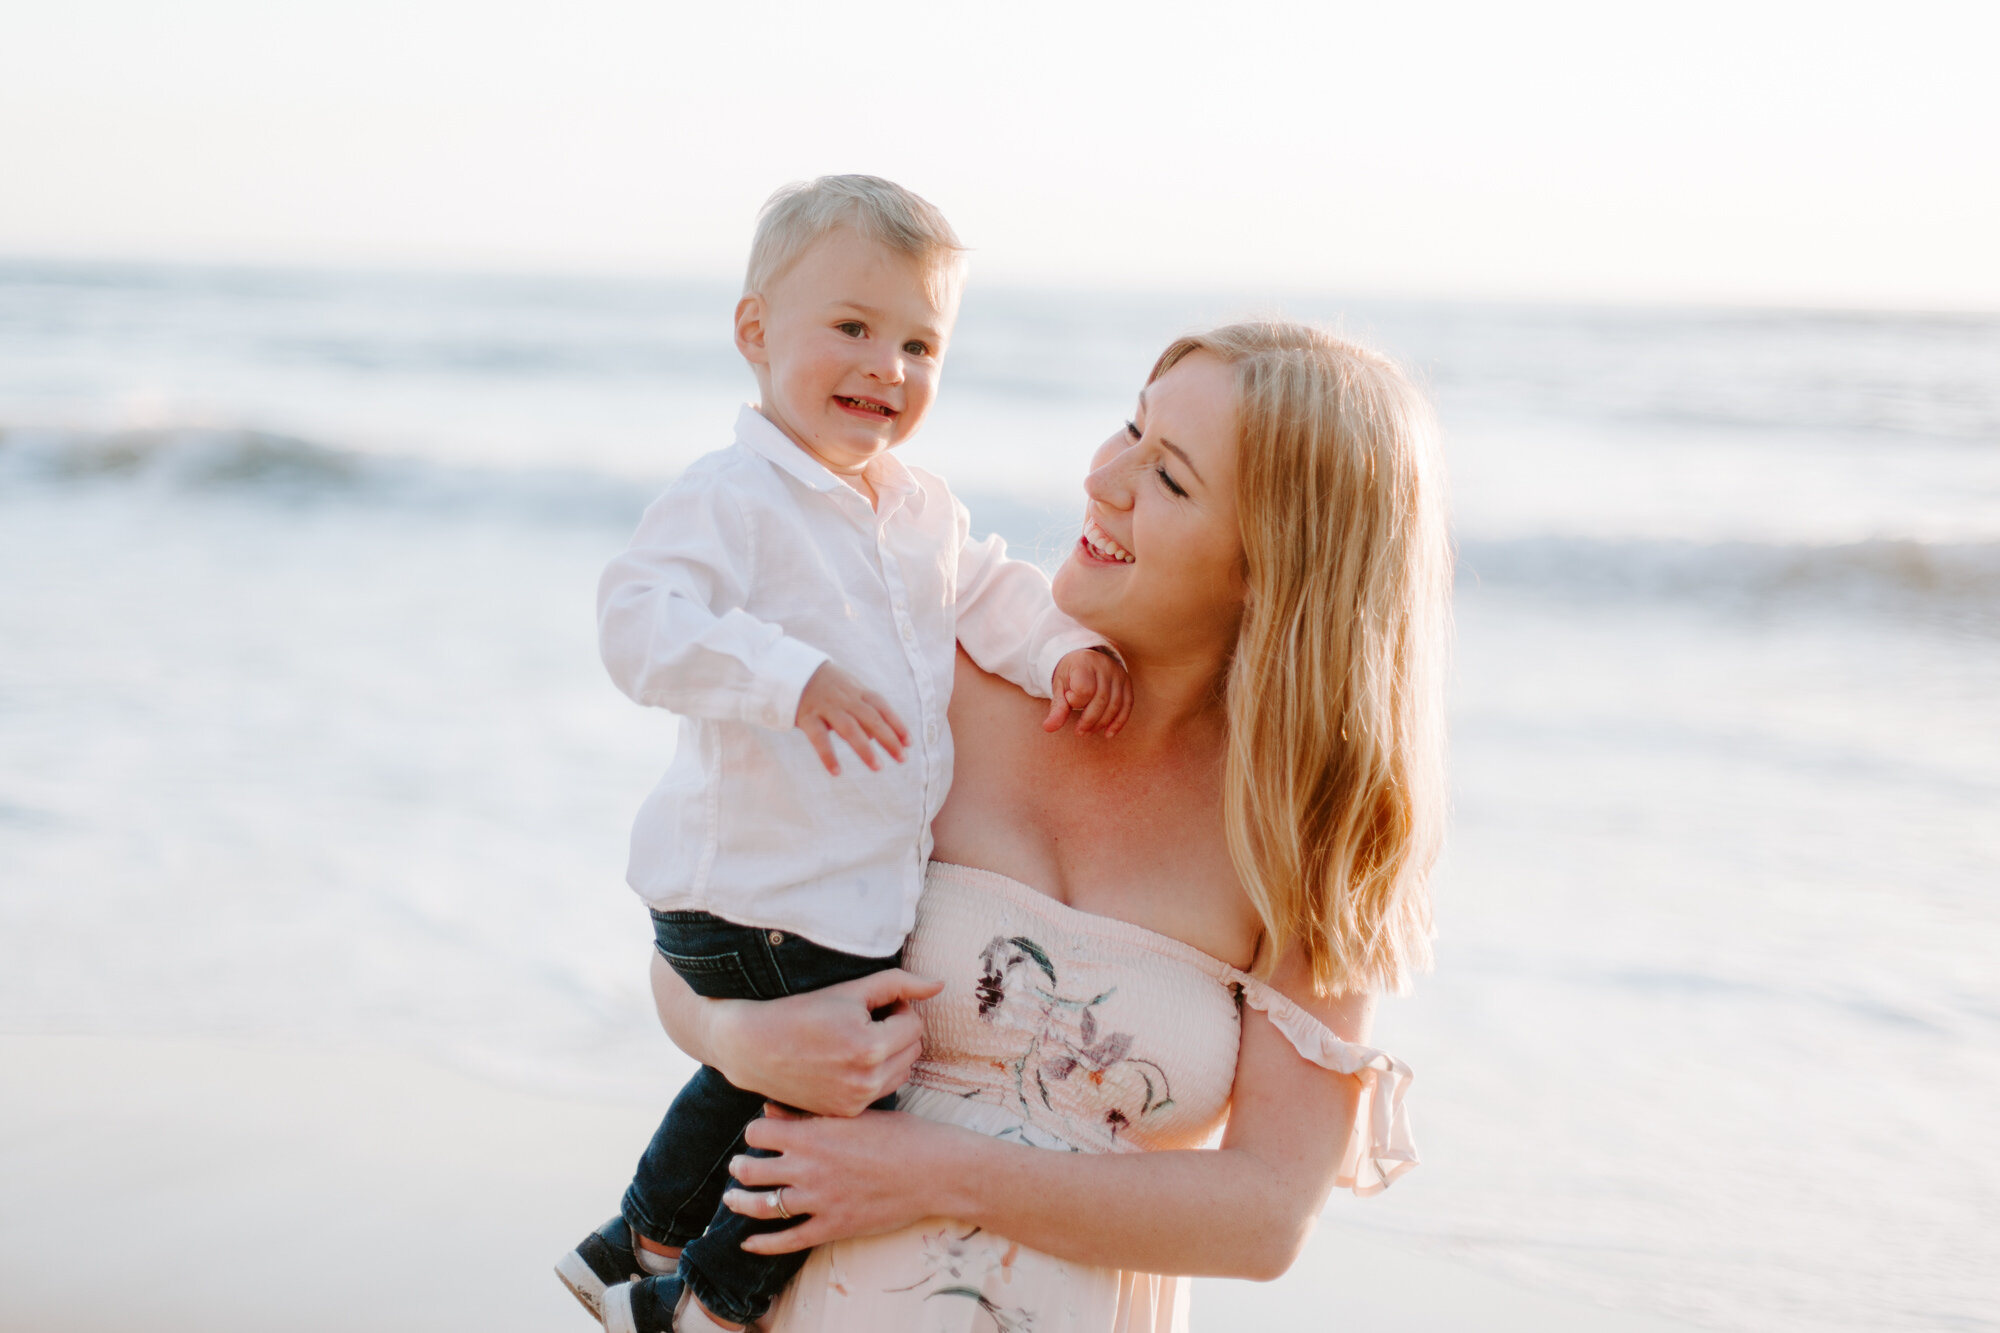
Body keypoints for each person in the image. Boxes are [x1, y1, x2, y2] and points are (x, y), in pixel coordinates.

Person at [642, 321, 1452, 1331]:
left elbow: (1264, 1214)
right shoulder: (925, 681)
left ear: (1270, 568)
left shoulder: (1307, 828)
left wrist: (934, 1171)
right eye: (1130, 428)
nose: (1106, 477)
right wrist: (733, 1033)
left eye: (1171, 479)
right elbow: (696, 928)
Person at [558, 175, 1132, 1333]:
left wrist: (1066, 649)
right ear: (755, 333)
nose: (889, 367)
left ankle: (634, 1238)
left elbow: (994, 595)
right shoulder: (734, 496)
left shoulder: (919, 508)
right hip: (750, 895)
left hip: (819, 900)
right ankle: (708, 1299)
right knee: (849, 1097)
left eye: (921, 343)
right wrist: (788, 677)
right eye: (855, 328)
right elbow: (635, 622)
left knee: (758, 1075)